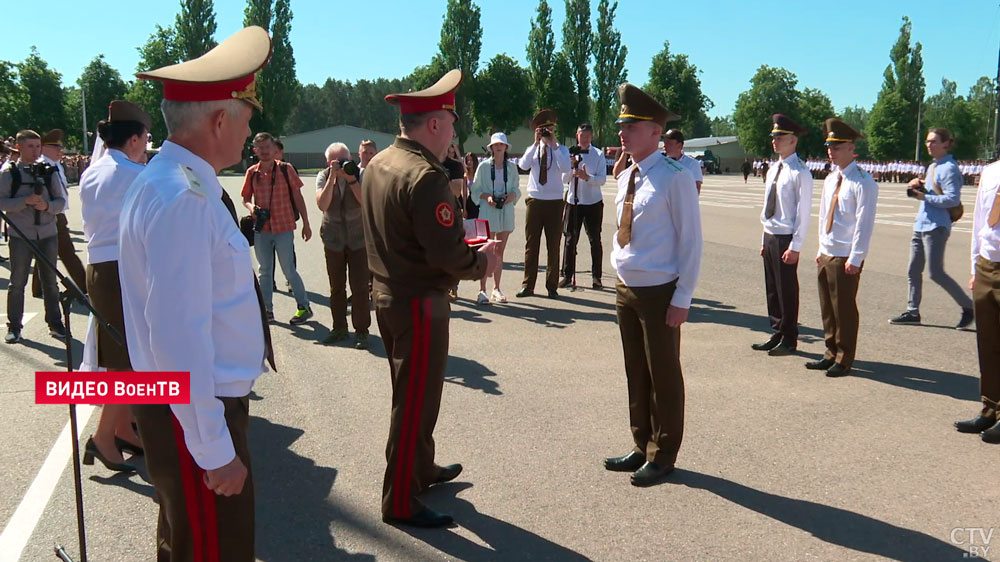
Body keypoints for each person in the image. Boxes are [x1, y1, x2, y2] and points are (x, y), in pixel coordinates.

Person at [118, 26, 276, 561]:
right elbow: (179, 339)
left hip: (182, 409)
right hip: (195, 414)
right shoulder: (183, 196)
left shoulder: (173, 179)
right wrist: (214, 449)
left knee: (186, 543)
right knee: (213, 550)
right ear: (219, 119)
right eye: (247, 118)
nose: (250, 130)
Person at [361, 69, 497, 528]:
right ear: (434, 124)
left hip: (388, 294)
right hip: (419, 301)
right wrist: (483, 264)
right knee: (415, 402)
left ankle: (420, 468)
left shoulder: (379, 163)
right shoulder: (425, 176)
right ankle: (399, 499)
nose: (454, 134)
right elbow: (446, 255)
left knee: (412, 393)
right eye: (452, 125)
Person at [602, 84, 701, 487]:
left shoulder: (675, 178)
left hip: (660, 290)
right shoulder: (630, 174)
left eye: (632, 126)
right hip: (627, 287)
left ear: (656, 132)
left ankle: (664, 454)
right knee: (636, 372)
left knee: (663, 374)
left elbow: (691, 242)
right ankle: (642, 443)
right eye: (622, 124)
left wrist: (683, 297)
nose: (622, 132)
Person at [79, 100, 151, 473]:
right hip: (123, 269)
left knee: (120, 357)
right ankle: (104, 437)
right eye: (146, 138)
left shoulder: (97, 168)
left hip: (102, 268)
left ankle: (122, 428)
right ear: (135, 139)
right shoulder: (131, 173)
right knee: (127, 362)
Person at [805, 118, 878, 378]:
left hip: (846, 254)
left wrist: (856, 257)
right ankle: (830, 352)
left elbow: (864, 223)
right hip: (828, 250)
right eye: (829, 146)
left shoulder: (863, 181)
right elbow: (824, 214)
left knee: (843, 309)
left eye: (836, 146)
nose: (830, 151)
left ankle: (845, 357)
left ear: (850, 148)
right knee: (827, 307)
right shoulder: (831, 178)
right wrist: (820, 247)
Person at [888, 128, 974, 329]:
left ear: (946, 144)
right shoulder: (933, 166)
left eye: (934, 141)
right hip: (921, 223)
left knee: (936, 273)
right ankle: (912, 311)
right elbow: (932, 189)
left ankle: (969, 307)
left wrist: (923, 196)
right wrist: (917, 184)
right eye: (927, 141)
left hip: (936, 226)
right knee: (913, 269)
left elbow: (952, 199)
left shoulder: (950, 168)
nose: (929, 145)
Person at [751, 114, 813, 356]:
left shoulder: (801, 172)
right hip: (771, 234)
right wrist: (763, 238)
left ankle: (789, 337)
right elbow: (768, 205)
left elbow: (803, 213)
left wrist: (796, 246)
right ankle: (777, 330)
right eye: (773, 136)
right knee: (772, 288)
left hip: (786, 237)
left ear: (793, 140)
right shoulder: (774, 168)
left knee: (787, 289)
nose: (774, 140)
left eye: (780, 137)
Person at [0, 129, 68, 343]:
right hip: (21, 235)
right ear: (18, 147)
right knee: (17, 282)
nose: (35, 150)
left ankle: (55, 324)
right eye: (30, 146)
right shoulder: (9, 172)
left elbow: (61, 202)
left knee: (50, 282)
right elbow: (2, 203)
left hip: (47, 233)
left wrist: (47, 205)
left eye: (38, 146)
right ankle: (14, 326)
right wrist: (25, 201)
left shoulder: (49, 171)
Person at [241, 131, 313, 324]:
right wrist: (251, 208)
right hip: (262, 228)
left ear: (275, 149)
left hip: (284, 227)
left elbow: (298, 196)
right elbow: (246, 198)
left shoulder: (286, 169)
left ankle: (304, 306)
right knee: (265, 270)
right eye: (260, 148)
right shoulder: (252, 173)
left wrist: (306, 223)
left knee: (288, 269)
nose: (264, 151)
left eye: (267, 147)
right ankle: (267, 310)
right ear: (255, 150)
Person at [956, 157, 1000, 442]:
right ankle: (990, 407)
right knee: (988, 343)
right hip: (987, 265)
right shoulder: (991, 171)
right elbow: (979, 222)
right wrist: (974, 268)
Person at [316, 141, 370, 348]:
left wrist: (351, 181)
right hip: (333, 239)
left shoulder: (360, 174)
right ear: (328, 162)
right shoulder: (323, 176)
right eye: (335, 161)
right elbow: (322, 205)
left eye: (344, 160)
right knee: (336, 287)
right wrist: (331, 178)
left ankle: (362, 331)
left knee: (359, 288)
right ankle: (339, 327)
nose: (341, 164)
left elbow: (366, 202)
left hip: (358, 239)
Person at [517, 109, 571, 298]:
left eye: (550, 128)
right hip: (535, 200)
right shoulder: (533, 150)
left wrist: (553, 144)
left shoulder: (561, 150)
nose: (546, 132)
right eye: (543, 129)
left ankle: (552, 286)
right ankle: (528, 285)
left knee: (553, 244)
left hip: (555, 202)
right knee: (531, 244)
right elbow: (523, 165)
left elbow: (566, 167)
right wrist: (535, 143)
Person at [35, 129, 87, 298]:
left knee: (44, 252)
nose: (60, 150)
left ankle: (38, 288)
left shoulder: (56, 165)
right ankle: (85, 286)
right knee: (66, 251)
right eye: (56, 146)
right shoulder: (43, 165)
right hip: (50, 214)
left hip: (57, 213)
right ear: (44, 148)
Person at [471, 132, 521, 304]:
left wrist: (511, 196)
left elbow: (516, 189)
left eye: (501, 144)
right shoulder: (484, 167)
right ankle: (482, 290)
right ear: (491, 148)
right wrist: (487, 197)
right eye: (495, 145)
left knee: (499, 251)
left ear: (506, 147)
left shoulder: (512, 168)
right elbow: (475, 191)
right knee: (486, 251)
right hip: (488, 210)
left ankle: (496, 289)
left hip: (505, 211)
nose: (498, 147)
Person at [560, 123, 607, 289]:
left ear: (591, 137)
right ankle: (567, 275)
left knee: (595, 240)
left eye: (587, 135)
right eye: (582, 135)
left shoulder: (598, 154)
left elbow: (602, 179)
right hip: (574, 202)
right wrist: (571, 169)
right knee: (570, 240)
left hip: (593, 202)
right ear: (577, 135)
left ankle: (596, 277)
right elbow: (563, 179)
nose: (585, 138)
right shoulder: (569, 153)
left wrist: (587, 177)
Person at [661, 129, 703, 193]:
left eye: (668, 144)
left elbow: (696, 189)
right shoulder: (659, 162)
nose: (664, 146)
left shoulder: (692, 164)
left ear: (679, 146)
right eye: (664, 143)